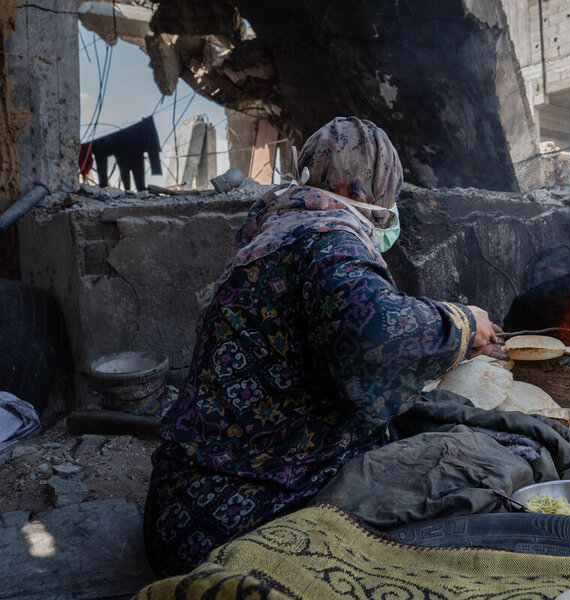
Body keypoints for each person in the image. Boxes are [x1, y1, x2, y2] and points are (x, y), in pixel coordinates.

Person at [143, 117, 503, 576]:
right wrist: (464, 323)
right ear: (376, 185)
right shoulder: (330, 242)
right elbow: (375, 334)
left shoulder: (276, 234)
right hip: (244, 526)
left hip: (179, 508)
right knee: (477, 466)